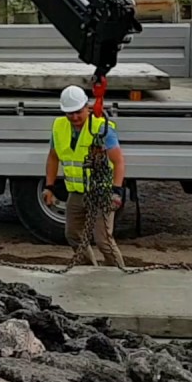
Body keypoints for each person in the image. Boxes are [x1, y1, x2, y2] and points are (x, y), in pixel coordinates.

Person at [42, 84, 126, 267]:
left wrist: (116, 191)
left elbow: (118, 161)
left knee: (103, 239)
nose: (74, 117)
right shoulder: (59, 127)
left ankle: (119, 274)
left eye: (78, 112)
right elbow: (53, 157)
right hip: (76, 193)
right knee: (73, 235)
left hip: (101, 193)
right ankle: (89, 269)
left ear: (87, 107)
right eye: (69, 113)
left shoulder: (101, 128)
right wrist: (49, 187)